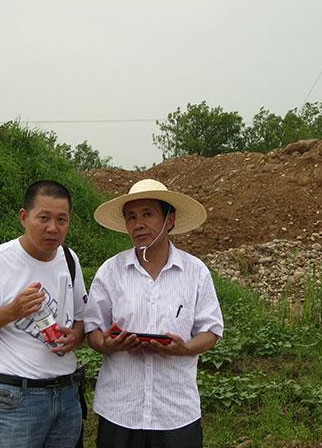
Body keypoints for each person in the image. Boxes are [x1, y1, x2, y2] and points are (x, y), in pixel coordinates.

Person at [84, 178, 224, 448]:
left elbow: (211, 329)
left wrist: (186, 348)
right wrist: (108, 344)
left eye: (147, 214)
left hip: (175, 412)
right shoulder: (110, 271)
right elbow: (93, 330)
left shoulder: (195, 272)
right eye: (131, 217)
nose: (138, 224)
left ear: (169, 220)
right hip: (120, 411)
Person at [0, 180, 87, 448]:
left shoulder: (69, 259)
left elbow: (81, 319)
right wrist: (12, 311)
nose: (53, 228)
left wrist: (76, 336)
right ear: (24, 217)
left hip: (67, 395)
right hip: (16, 400)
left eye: (62, 219)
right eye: (43, 218)